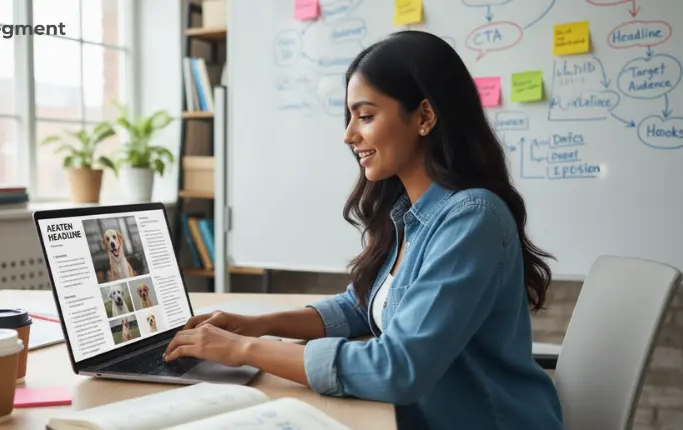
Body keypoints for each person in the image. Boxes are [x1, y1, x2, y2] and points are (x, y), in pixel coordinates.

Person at [164, 30, 564, 430]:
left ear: (424, 117)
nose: (348, 134)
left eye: (366, 115)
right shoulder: (411, 211)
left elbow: (397, 368)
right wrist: (259, 324)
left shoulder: (471, 219)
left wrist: (245, 349)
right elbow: (362, 306)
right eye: (350, 116)